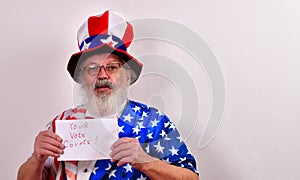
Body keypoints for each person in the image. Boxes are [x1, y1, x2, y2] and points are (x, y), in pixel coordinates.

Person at [17, 10, 199, 180]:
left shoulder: (154, 122)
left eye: (112, 67)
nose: (102, 75)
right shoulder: (62, 123)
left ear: (128, 76)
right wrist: (36, 159)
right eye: (92, 68)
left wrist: (146, 162)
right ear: (82, 79)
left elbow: (192, 177)